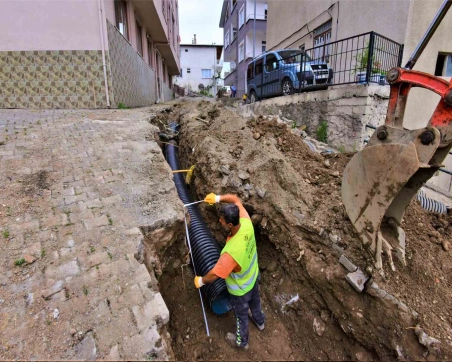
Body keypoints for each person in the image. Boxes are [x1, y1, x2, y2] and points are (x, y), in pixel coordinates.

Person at [194, 193, 265, 350]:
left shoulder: (231, 254)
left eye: (222, 220)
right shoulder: (246, 223)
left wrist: (201, 281)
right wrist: (218, 198)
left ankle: (241, 342)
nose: (220, 221)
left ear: (230, 225)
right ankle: (260, 322)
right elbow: (235, 199)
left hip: (240, 290)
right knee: (255, 303)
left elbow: (214, 274)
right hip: (253, 278)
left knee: (241, 317)